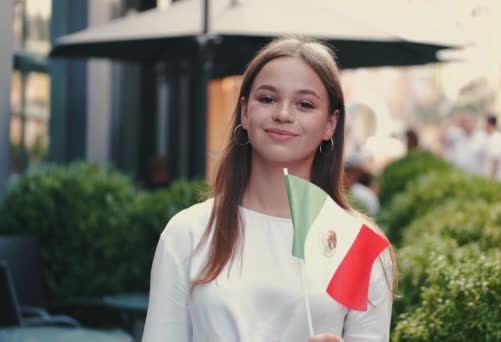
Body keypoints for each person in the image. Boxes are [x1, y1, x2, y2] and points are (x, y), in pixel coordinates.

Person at [142, 37, 395, 342]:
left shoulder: (358, 245)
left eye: (305, 104)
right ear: (245, 112)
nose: (284, 114)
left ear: (330, 124)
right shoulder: (188, 232)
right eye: (267, 99)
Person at [483, 115, 501, 184]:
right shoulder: (500, 137)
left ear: (489, 124)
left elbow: (495, 161)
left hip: (497, 181)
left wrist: (491, 181)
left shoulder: (496, 138)